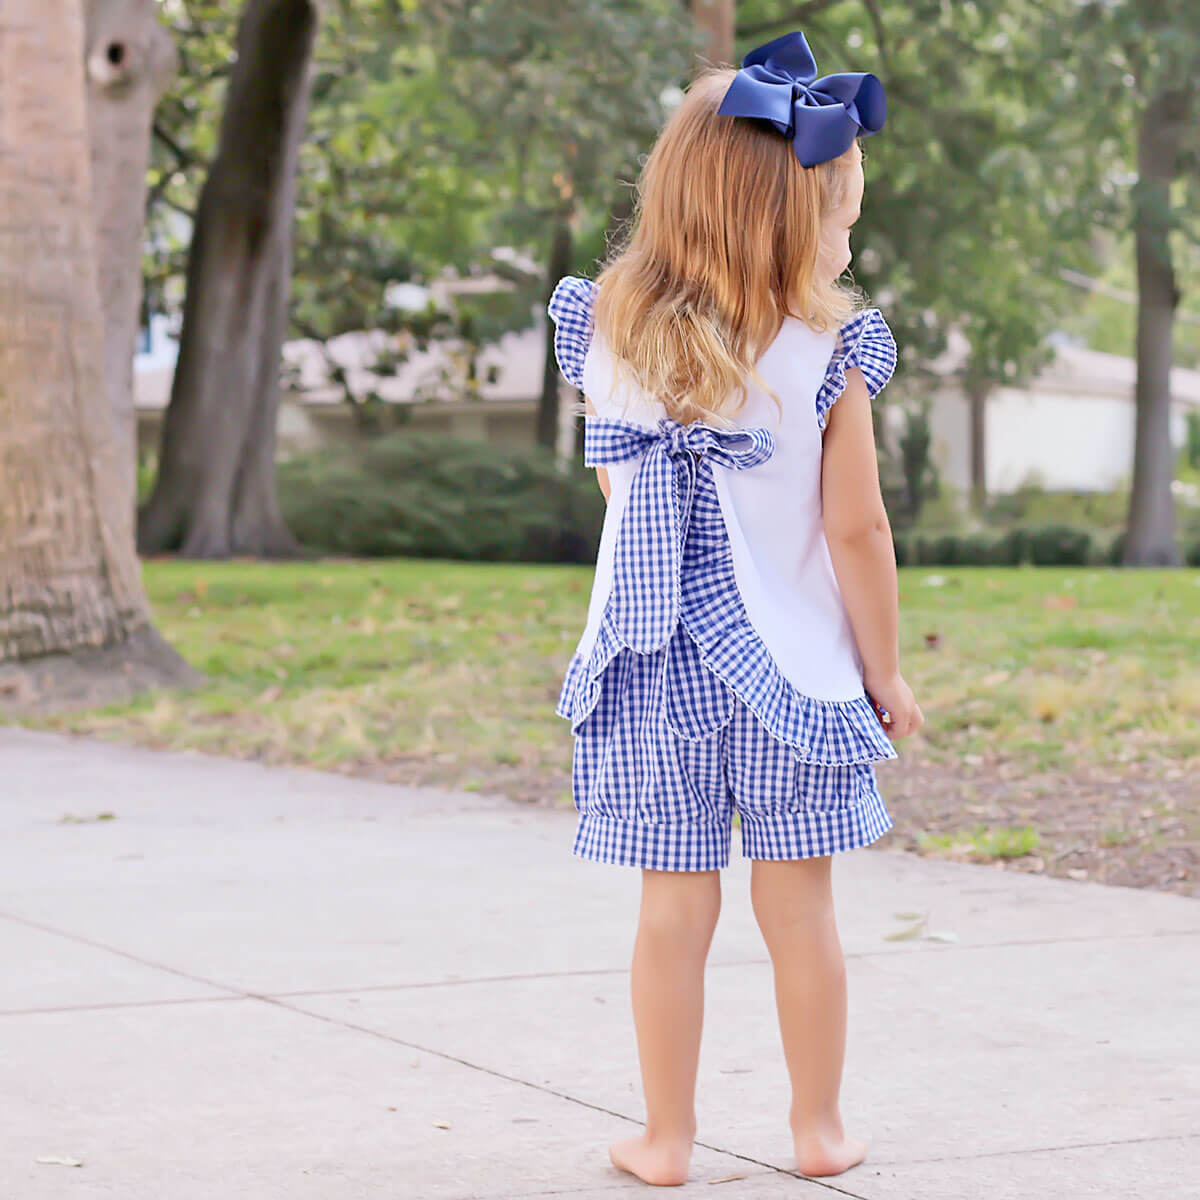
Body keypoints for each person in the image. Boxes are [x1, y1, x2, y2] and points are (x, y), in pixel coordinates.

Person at [546, 30, 924, 1188]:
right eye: (841, 215)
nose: (848, 236)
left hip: (652, 668)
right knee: (799, 908)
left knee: (672, 912)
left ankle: (665, 1139)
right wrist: (887, 672)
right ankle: (816, 1131)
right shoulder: (828, 349)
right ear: (790, 220)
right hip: (794, 680)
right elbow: (856, 529)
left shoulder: (607, 329)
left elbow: (622, 495)